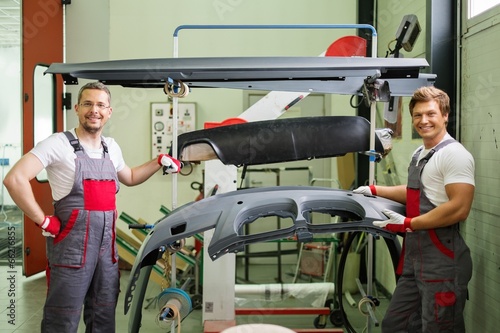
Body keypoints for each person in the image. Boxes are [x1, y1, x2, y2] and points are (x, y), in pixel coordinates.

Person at [3, 81, 181, 333]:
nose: (94, 110)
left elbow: (129, 177)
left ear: (109, 111)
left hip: (106, 253)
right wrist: (43, 221)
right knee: (62, 319)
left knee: (103, 317)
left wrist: (158, 161)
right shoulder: (58, 144)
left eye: (100, 105)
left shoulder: (111, 147)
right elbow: (14, 179)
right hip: (71, 251)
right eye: (87, 103)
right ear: (76, 108)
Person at [354, 86, 474, 332]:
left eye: (431, 114)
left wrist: (409, 224)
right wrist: (375, 190)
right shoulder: (420, 153)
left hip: (442, 260)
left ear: (445, 115)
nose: (424, 120)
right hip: (415, 259)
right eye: (418, 115)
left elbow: (459, 208)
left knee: (439, 327)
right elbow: (414, 191)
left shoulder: (454, 155)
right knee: (397, 324)